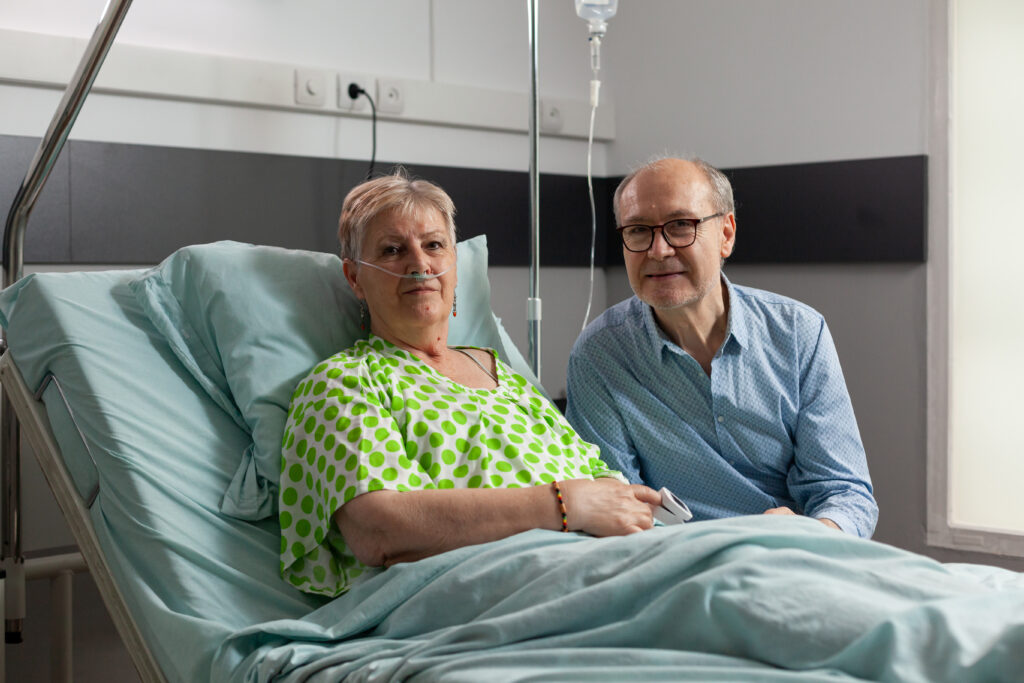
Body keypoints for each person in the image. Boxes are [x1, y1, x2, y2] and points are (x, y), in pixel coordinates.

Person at [278, 170, 661, 596]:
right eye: (392, 250)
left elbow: (600, 479)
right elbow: (380, 528)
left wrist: (616, 503)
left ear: (454, 267)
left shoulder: (504, 377)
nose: (419, 264)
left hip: (607, 560)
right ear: (355, 278)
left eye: (434, 245)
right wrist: (565, 504)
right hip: (492, 588)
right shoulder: (344, 383)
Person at [565, 157, 878, 538]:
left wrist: (813, 534)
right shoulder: (599, 356)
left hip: (797, 553)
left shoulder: (798, 333)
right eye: (638, 230)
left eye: (681, 225)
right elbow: (619, 510)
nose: (658, 250)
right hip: (677, 559)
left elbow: (845, 493)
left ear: (726, 234)